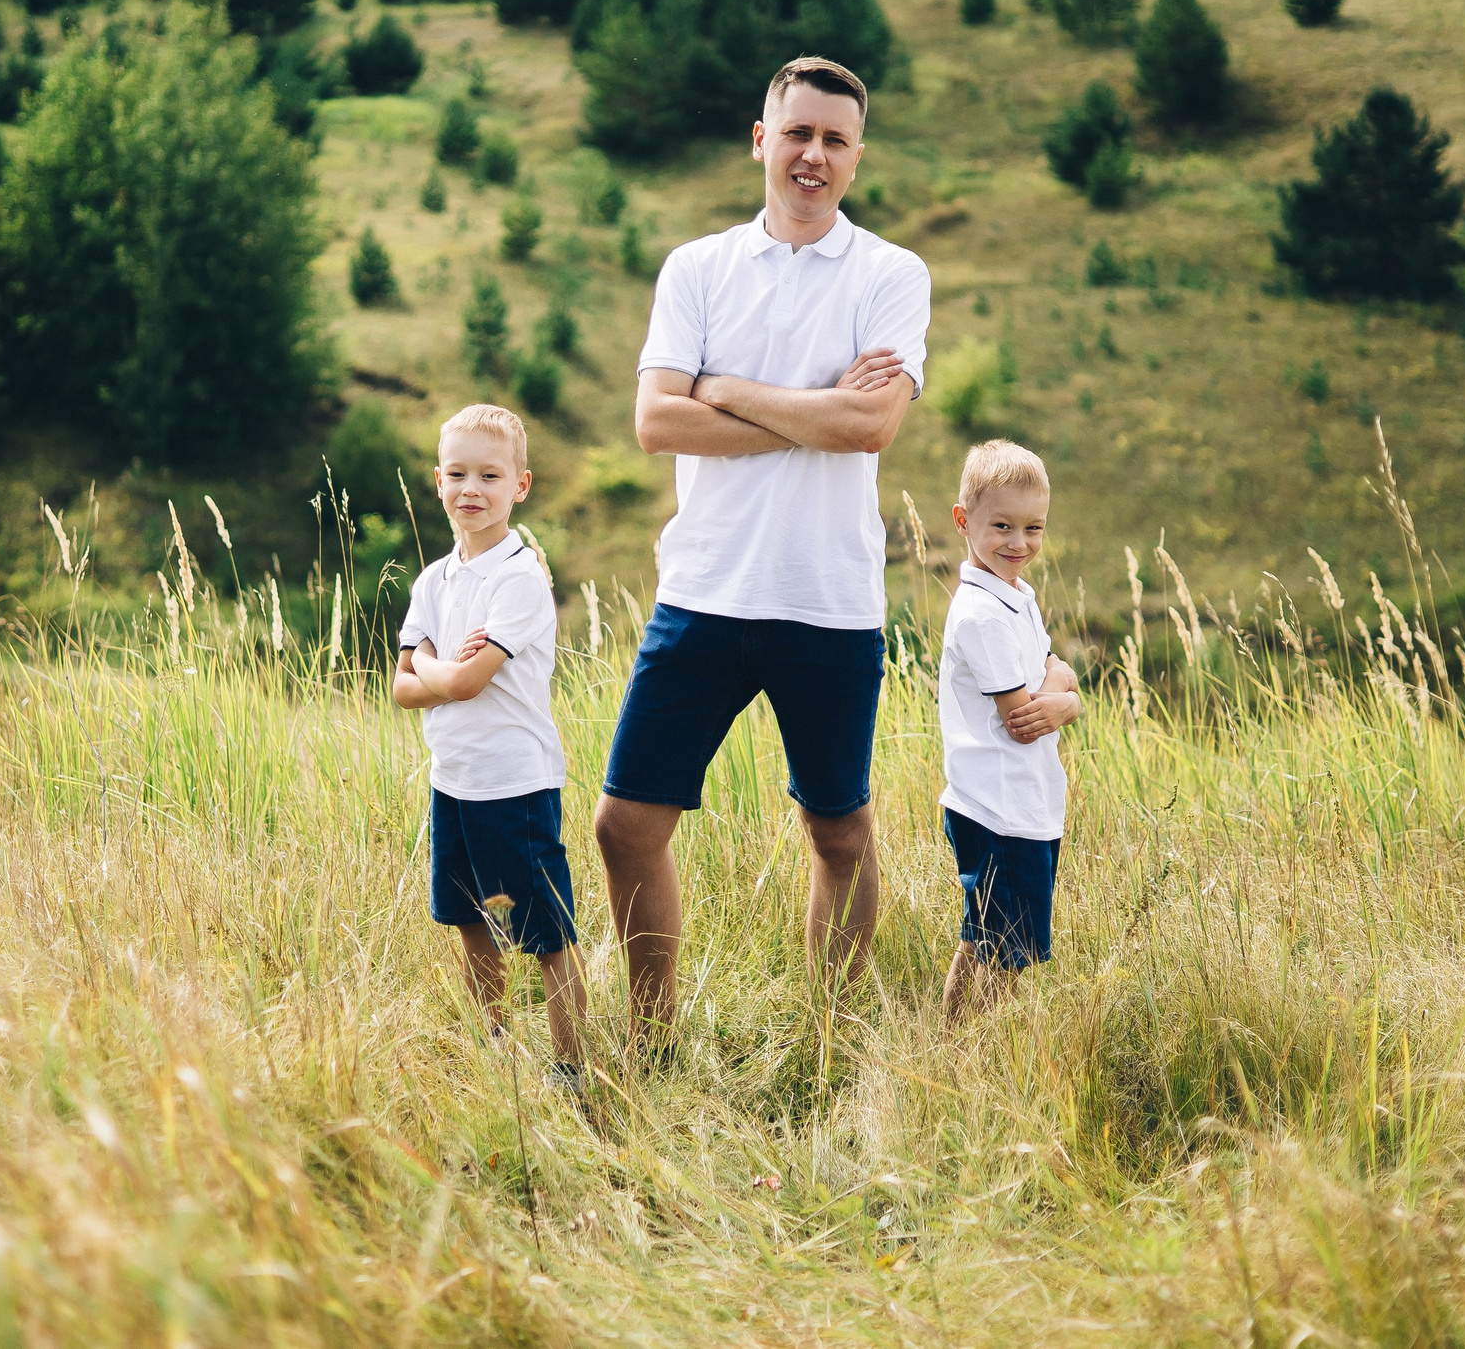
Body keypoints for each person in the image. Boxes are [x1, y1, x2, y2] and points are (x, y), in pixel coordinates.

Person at [597, 55, 930, 1047]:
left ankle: (826, 1036)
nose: (813, 155)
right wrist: (814, 408)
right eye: (797, 134)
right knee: (624, 826)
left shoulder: (890, 274)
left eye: (834, 139)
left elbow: (872, 427)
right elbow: (655, 424)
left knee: (837, 831)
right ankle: (652, 1035)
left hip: (826, 601)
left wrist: (724, 388)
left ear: (856, 158)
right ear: (761, 140)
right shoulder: (696, 269)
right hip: (703, 587)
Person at [392, 403, 588, 1084]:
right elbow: (401, 686)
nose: (471, 488)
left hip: (515, 783)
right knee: (468, 917)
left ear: (520, 485)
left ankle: (571, 1066)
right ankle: (493, 1044)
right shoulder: (433, 579)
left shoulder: (520, 579)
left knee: (546, 932)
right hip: (454, 779)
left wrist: (433, 666)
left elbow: (467, 680)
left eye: (489, 475)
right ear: (437, 481)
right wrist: (438, 669)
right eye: (457, 473)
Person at [935, 441, 1080, 1018]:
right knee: (1004, 953)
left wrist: (1060, 686)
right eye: (1001, 526)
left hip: (1023, 801)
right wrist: (1068, 703)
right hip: (997, 807)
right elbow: (1024, 719)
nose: (1019, 543)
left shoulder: (1018, 597)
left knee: (985, 938)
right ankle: (973, 1055)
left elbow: (1055, 668)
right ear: (963, 521)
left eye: (1033, 528)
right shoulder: (981, 614)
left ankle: (952, 1047)